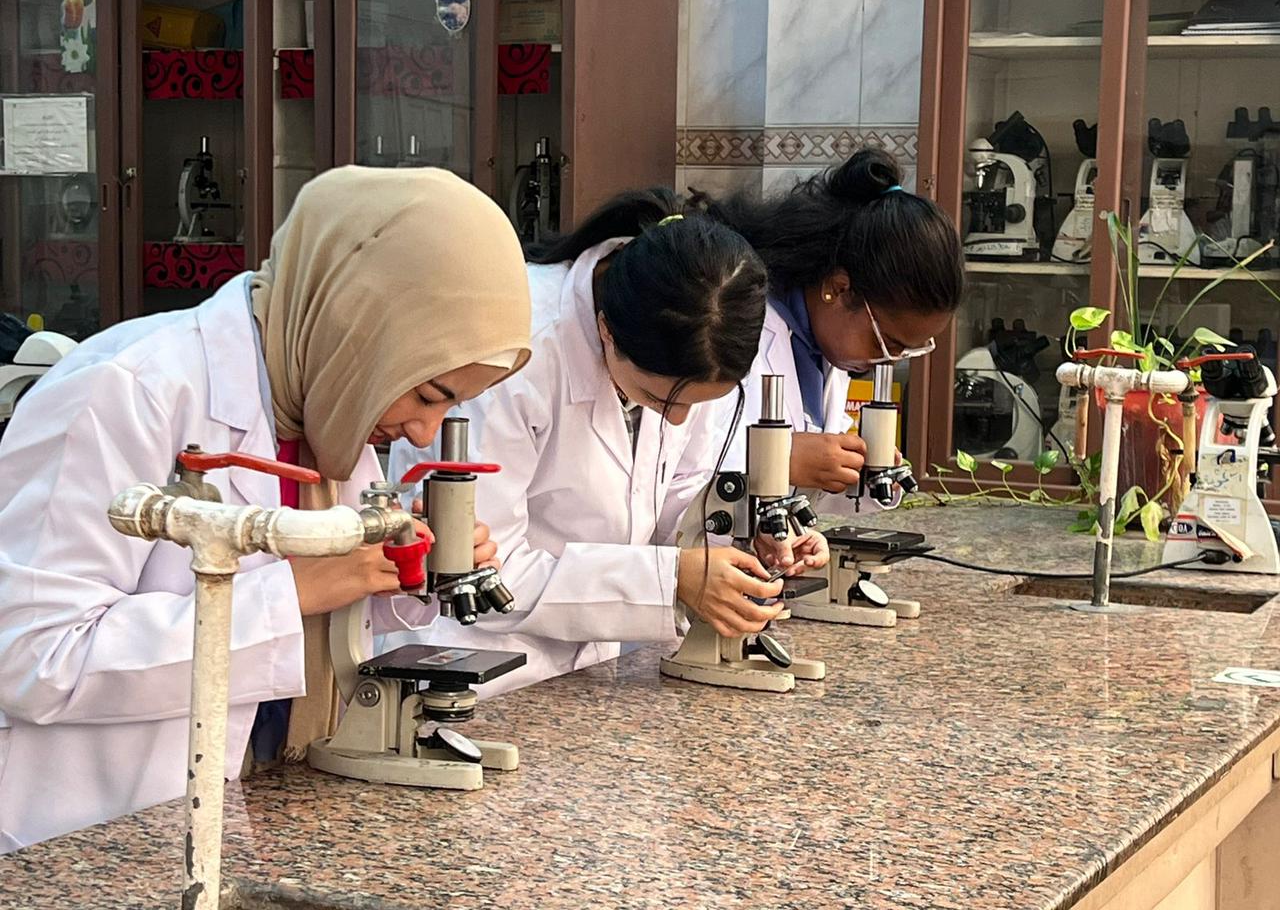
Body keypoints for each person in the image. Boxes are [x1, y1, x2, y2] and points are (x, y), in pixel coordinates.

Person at [0, 167, 531, 851]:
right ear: (356, 324)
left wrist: (400, 576)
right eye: (427, 394)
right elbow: (32, 658)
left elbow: (322, 622)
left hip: (267, 800)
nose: (425, 434)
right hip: (91, 831)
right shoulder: (123, 391)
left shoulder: (324, 393)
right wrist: (297, 590)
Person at [388, 203, 828, 696]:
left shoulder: (697, 340)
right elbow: (479, 569)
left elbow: (677, 496)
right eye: (658, 400)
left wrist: (740, 545)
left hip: (592, 671)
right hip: (476, 667)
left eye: (698, 405)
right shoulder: (519, 351)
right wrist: (670, 580)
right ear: (606, 331)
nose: (677, 420)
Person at [700, 148, 965, 506]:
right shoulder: (727, 329)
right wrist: (779, 459)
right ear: (838, 289)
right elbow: (678, 468)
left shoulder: (824, 345)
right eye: (883, 342)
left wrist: (855, 473)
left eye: (905, 351)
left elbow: (806, 490)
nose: (886, 361)